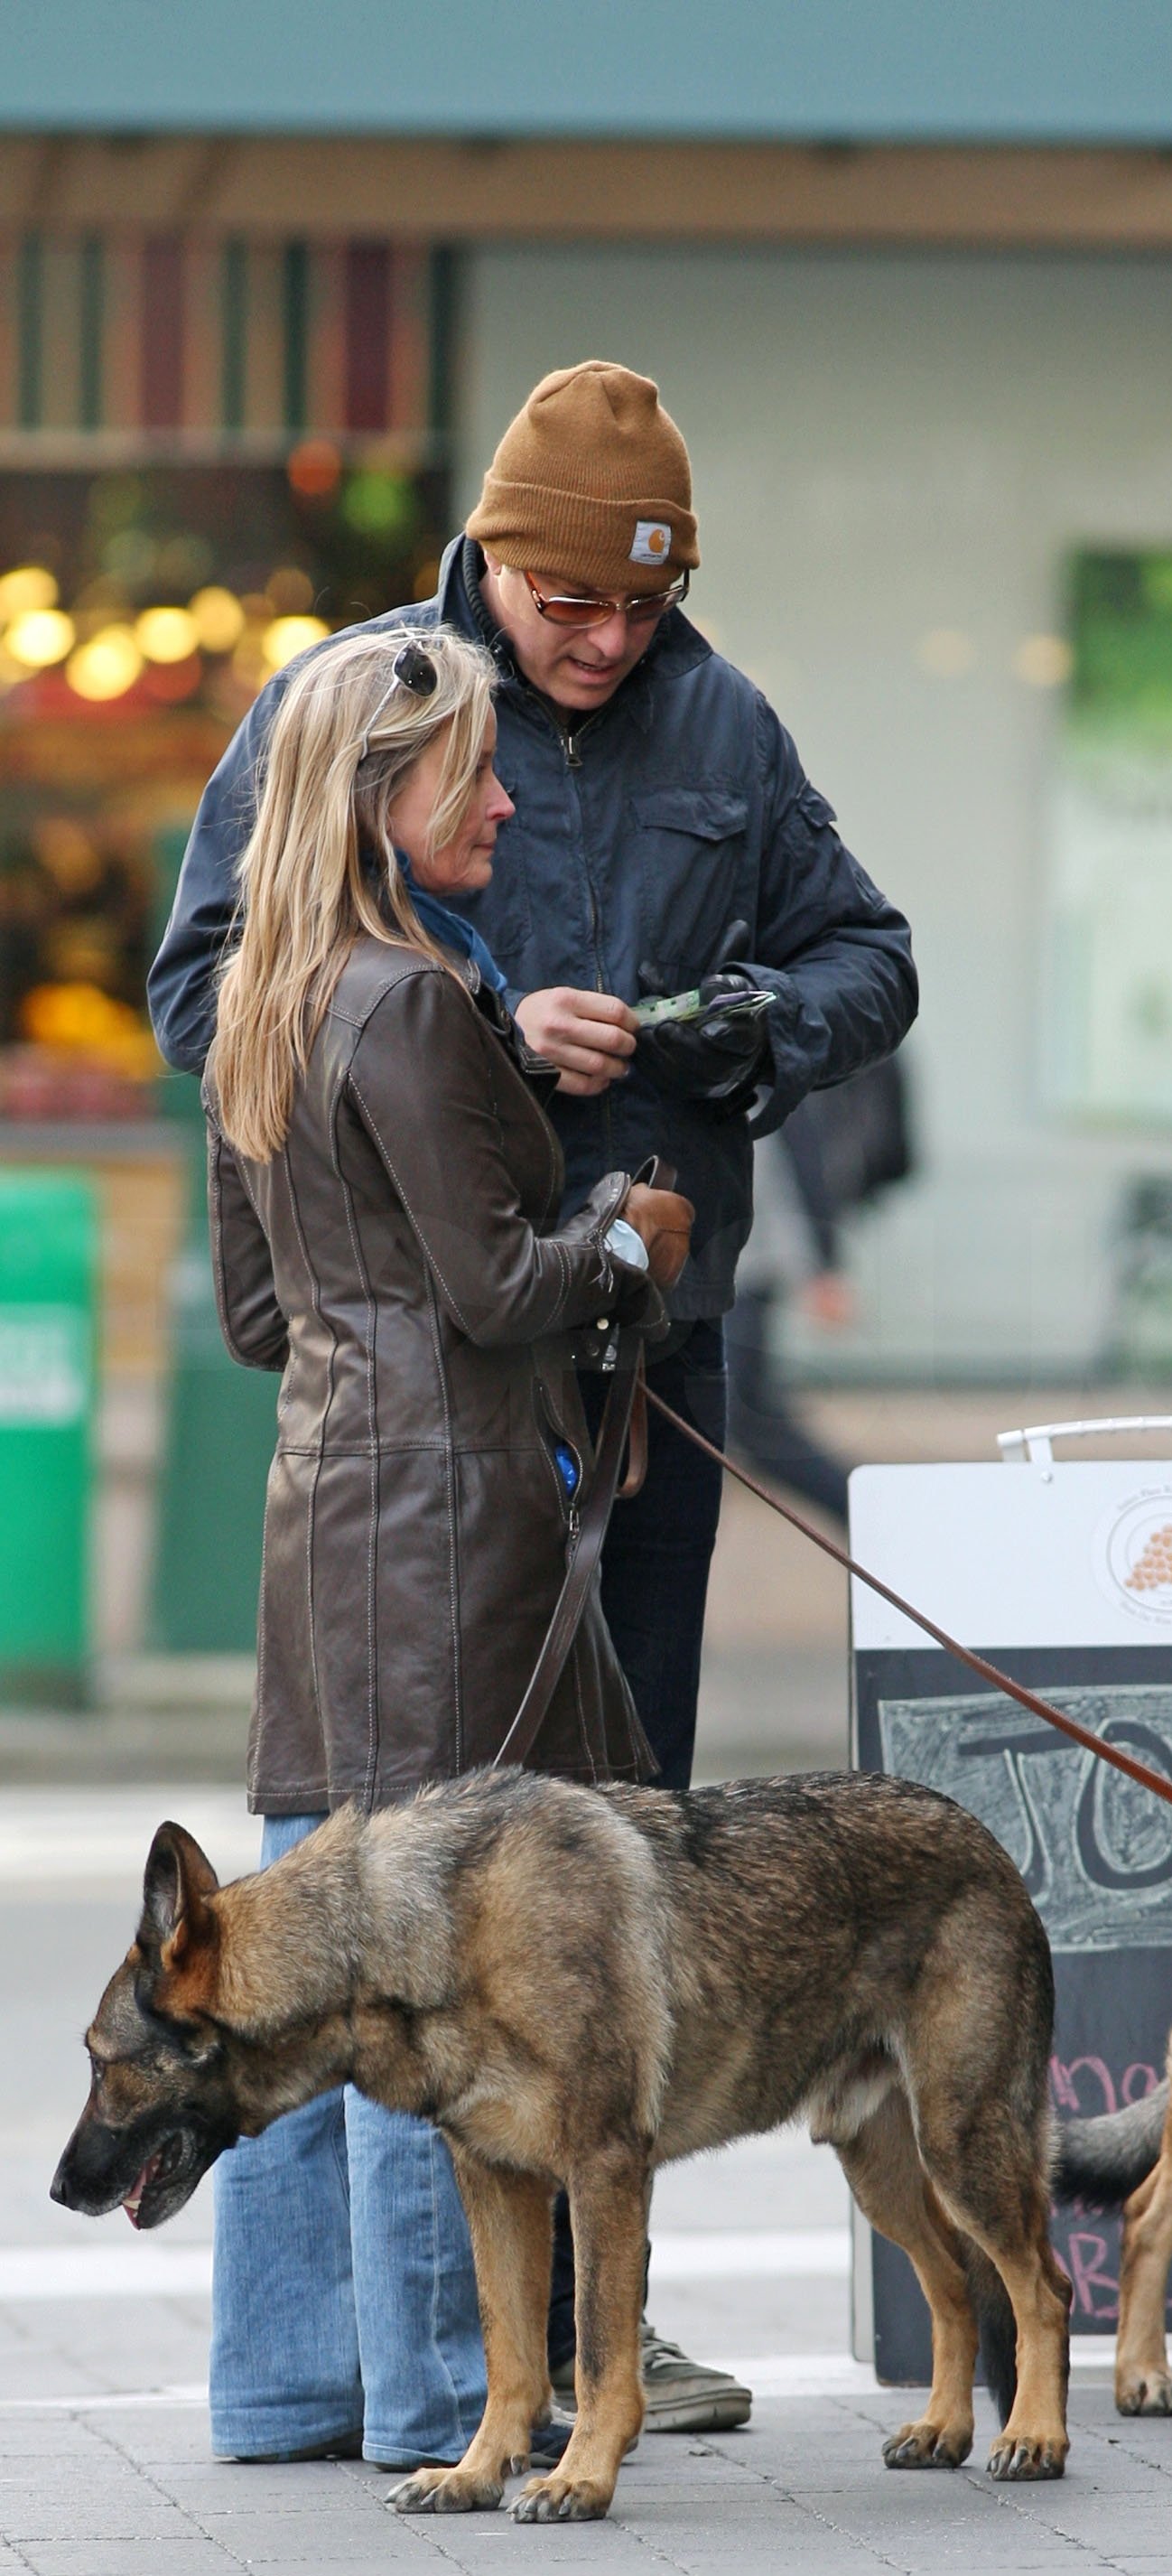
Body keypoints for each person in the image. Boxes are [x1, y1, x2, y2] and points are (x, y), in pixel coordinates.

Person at [150, 360, 917, 2431]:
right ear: (487, 557)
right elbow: (217, 987)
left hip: (626, 1387)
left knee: (608, 1849)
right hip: (479, 1380)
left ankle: (551, 2317)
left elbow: (869, 957)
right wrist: (485, 1037)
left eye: (637, 609)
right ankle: (468, 2366)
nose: (600, 645)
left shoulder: (718, 719)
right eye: (565, 604)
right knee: (429, 1886)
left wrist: (732, 1019)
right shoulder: (367, 709)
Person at [202, 623, 688, 2468]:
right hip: (453, 1512)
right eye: (471, 768)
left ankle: (289, 2378)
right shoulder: (407, 1000)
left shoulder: (270, 992)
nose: (501, 791)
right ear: (385, 793)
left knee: (294, 1936)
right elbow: (496, 1289)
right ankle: (431, 2387)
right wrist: (628, 1242)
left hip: (328, 1509)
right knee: (437, 1956)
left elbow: (263, 1318)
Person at [726, 1056, 914, 1524]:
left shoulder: (758, 1037)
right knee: (749, 1421)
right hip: (732, 1264)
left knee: (736, 1419)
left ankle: (878, 1519)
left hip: (736, 1267)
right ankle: (877, 1518)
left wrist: (822, 1267)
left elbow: (794, 1145)